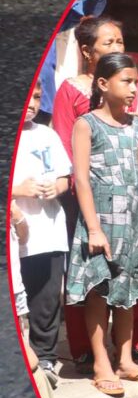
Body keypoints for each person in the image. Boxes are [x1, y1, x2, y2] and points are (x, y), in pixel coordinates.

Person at [65, 50, 138, 397]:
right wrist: (92, 228)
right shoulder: (86, 124)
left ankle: (125, 360)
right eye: (127, 81)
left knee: (129, 295)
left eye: (136, 81)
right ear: (103, 84)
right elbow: (83, 180)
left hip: (134, 222)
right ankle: (101, 362)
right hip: (102, 222)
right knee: (99, 293)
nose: (134, 88)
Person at [15, 88, 72, 379]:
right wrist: (16, 190)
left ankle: (46, 358)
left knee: (47, 300)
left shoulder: (47, 135)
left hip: (49, 231)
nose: (32, 104)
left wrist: (58, 187)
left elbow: (64, 175)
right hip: (16, 237)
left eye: (37, 97)